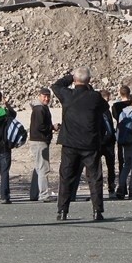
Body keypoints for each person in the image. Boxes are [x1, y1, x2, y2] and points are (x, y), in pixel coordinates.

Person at [51, 66, 109, 221]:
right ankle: (97, 211)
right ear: (89, 80)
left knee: (66, 176)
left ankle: (62, 211)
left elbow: (55, 86)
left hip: (70, 142)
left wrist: (70, 77)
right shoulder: (95, 97)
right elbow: (105, 107)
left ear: (75, 80)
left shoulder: (67, 95)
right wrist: (88, 86)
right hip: (90, 143)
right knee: (94, 177)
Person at [29, 87, 58, 202]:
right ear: (39, 96)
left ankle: (34, 194)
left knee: (38, 167)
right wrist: (52, 127)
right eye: (44, 96)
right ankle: (44, 194)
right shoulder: (40, 109)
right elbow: (40, 126)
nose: (46, 98)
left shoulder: (39, 108)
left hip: (38, 141)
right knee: (43, 169)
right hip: (40, 141)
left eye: (48, 96)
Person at [111, 85, 132, 177]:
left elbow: (115, 117)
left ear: (120, 93)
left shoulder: (116, 106)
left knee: (121, 157)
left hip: (121, 131)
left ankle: (122, 179)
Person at [100, 89, 117, 199]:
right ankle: (111, 189)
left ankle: (102, 189)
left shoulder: (101, 110)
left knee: (101, 168)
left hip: (102, 142)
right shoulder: (105, 110)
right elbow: (109, 128)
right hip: (106, 142)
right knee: (110, 167)